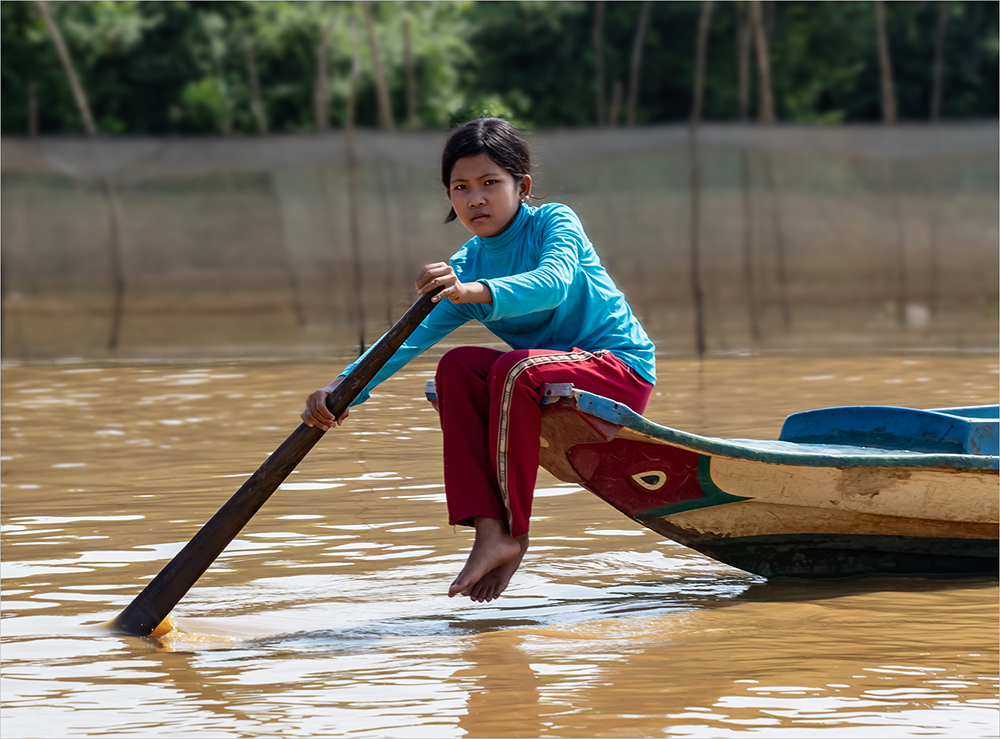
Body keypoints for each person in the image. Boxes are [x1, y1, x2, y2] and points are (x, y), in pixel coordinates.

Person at [301, 118, 656, 603]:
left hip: (616, 368)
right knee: (456, 368)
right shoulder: (467, 262)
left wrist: (474, 291)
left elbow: (551, 282)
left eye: (490, 183)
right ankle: (491, 532)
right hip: (540, 378)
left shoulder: (555, 222)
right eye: (461, 188)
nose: (476, 199)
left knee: (513, 368)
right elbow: (408, 338)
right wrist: (342, 390)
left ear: (521, 186)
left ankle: (513, 531)